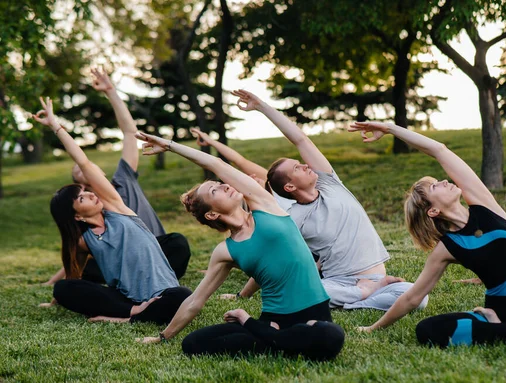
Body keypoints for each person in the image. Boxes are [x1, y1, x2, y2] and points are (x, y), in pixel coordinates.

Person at [348, 120, 506, 351]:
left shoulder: (484, 205)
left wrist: (391, 128)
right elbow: (413, 297)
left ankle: (500, 329)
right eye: (436, 186)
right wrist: (373, 327)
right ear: (433, 210)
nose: (444, 181)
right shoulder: (448, 247)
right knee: (426, 330)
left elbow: (440, 151)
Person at [135, 131, 344, 361]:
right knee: (193, 343)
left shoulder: (264, 204)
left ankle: (263, 332)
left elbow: (216, 163)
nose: (225, 186)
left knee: (330, 336)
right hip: (274, 320)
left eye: (220, 184)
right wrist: (163, 336)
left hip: (314, 315)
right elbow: (196, 300)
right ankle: (276, 338)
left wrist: (169, 145)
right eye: (215, 191)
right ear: (212, 213)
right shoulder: (226, 251)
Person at [228, 89, 427, 312]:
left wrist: (262, 106)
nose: (305, 165)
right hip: (336, 282)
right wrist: (243, 294)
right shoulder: (291, 218)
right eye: (297, 168)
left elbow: (300, 139)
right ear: (290, 186)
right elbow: (273, 257)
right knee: (297, 291)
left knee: (419, 299)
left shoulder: (331, 186)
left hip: (373, 276)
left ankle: (359, 298)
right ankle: (363, 295)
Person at [33, 97, 191, 324]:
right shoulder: (84, 241)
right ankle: (135, 313)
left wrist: (56, 126)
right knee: (63, 288)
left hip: (164, 293)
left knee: (183, 296)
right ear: (76, 215)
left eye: (86, 190)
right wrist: (57, 298)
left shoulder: (117, 208)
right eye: (81, 197)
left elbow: (84, 163)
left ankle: (123, 318)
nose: (89, 193)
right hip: (127, 300)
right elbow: (74, 274)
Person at [43, 68, 190, 286]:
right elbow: (79, 252)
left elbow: (130, 133)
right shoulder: (88, 215)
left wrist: (111, 92)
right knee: (88, 271)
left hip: (156, 250)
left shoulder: (122, 181)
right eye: (78, 175)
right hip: (120, 264)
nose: (83, 170)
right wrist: (56, 282)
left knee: (178, 243)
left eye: (87, 169)